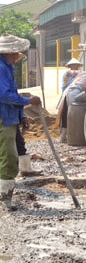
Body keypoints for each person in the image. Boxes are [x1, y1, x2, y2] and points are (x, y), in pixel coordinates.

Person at [0, 34, 42, 211]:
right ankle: (5, 198)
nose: (16, 57)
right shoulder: (1, 68)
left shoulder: (8, 68)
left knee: (8, 154)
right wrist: (28, 102)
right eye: (14, 53)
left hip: (10, 117)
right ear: (9, 53)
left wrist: (22, 115)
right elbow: (4, 95)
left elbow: (13, 94)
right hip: (3, 118)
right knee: (9, 157)